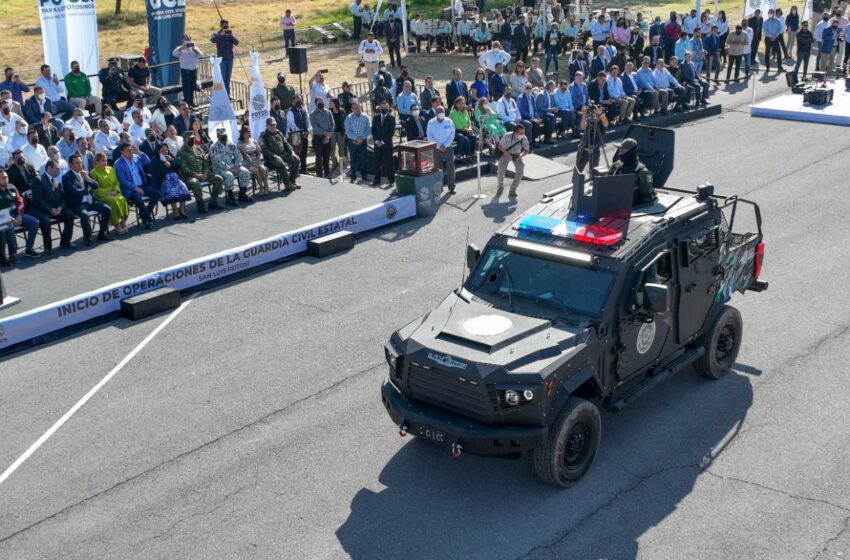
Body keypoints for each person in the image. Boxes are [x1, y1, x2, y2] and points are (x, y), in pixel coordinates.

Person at [62, 154, 112, 245]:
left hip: (89, 201)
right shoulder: (67, 177)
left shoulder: (84, 173)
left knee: (107, 209)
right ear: (71, 165)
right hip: (77, 203)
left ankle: (102, 233)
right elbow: (75, 192)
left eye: (80, 162)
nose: (80, 165)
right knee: (84, 215)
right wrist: (88, 189)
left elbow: (96, 185)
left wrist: (87, 177)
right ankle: (87, 237)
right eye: (77, 163)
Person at [31, 160, 75, 251]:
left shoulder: (57, 181)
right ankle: (48, 246)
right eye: (57, 168)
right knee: (46, 221)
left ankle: (65, 241)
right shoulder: (38, 180)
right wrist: (50, 210)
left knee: (69, 215)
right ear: (50, 168)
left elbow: (63, 198)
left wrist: (60, 208)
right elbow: (38, 200)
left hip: (56, 209)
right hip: (41, 210)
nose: (59, 171)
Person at [114, 143, 160, 228]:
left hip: (141, 185)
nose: (130, 152)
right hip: (129, 189)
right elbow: (123, 181)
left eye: (131, 150)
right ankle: (149, 220)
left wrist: (139, 152)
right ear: (122, 152)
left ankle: (143, 215)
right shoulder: (118, 164)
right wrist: (136, 188)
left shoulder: (136, 157)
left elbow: (147, 161)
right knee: (139, 200)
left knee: (157, 194)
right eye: (128, 151)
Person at [177, 131, 224, 212]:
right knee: (195, 183)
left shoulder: (198, 148)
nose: (192, 140)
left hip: (203, 173)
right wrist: (197, 175)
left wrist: (205, 172)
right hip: (190, 177)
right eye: (190, 139)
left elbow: (205, 161)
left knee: (218, 178)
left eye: (193, 138)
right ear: (184, 140)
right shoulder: (181, 153)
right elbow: (184, 169)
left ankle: (213, 202)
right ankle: (200, 205)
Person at [0, 169, 40, 263]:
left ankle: (29, 249)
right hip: (3, 217)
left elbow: (20, 202)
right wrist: (11, 219)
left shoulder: (12, 187)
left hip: (16, 214)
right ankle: (12, 255)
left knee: (35, 222)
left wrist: (19, 215)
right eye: (3, 178)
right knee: (9, 228)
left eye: (6, 177)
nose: (6, 179)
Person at [210, 128, 253, 205]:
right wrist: (230, 169)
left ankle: (242, 195)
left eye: (226, 135)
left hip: (233, 166)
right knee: (229, 175)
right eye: (223, 135)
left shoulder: (230, 144)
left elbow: (238, 155)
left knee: (245, 172)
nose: (225, 137)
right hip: (219, 169)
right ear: (218, 136)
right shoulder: (214, 147)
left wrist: (238, 165)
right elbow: (217, 161)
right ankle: (230, 197)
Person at [89, 152, 130, 234]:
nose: (105, 162)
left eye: (106, 160)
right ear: (97, 161)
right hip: (102, 195)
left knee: (122, 199)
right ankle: (116, 224)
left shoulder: (111, 169)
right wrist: (108, 192)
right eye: (103, 160)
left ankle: (123, 221)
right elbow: (95, 188)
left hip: (114, 192)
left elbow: (116, 183)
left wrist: (115, 190)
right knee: (113, 201)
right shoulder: (93, 172)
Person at [609, 138, 654, 205]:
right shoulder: (616, 166)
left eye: (622, 151)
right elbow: (607, 185)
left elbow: (646, 199)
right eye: (619, 150)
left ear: (631, 152)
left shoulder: (643, 172)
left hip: (631, 209)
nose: (619, 154)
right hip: (612, 203)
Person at [151, 143, 191, 219]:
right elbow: (156, 175)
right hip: (163, 181)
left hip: (175, 179)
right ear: (158, 151)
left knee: (184, 190)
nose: (165, 152)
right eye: (163, 151)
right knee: (172, 192)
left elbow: (179, 166)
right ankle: (175, 212)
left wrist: (172, 160)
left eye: (166, 150)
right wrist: (165, 167)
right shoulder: (154, 160)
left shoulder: (170, 156)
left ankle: (181, 210)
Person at [427, 106, 457, 194]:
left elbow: (452, 134)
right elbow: (429, 136)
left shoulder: (449, 121)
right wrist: (439, 146)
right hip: (436, 149)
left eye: (442, 111)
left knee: (450, 168)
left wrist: (446, 145)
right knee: (438, 170)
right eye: (439, 112)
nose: (441, 113)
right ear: (435, 113)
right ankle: (439, 187)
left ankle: (451, 187)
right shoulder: (431, 123)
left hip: (448, 148)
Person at [495, 124, 528, 197]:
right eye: (521, 133)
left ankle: (513, 190)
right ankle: (500, 187)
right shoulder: (507, 136)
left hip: (517, 154)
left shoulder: (524, 138)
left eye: (524, 133)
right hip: (505, 153)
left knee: (520, 171)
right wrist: (507, 155)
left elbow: (526, 151)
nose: (523, 135)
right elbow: (500, 146)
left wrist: (520, 156)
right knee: (500, 172)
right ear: (515, 132)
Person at [173, 35, 203, 107]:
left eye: (189, 39)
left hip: (194, 70)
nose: (188, 41)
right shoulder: (180, 48)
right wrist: (182, 47)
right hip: (185, 71)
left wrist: (194, 50)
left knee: (192, 87)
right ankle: (187, 104)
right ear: (183, 40)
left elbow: (201, 55)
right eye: (186, 39)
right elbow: (174, 53)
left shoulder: (194, 48)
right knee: (186, 88)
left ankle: (191, 102)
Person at [370, 101, 395, 187]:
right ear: (379, 108)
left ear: (388, 108)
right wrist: (376, 141)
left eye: (385, 107)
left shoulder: (391, 118)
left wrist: (382, 141)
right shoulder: (376, 117)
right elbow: (373, 130)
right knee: (377, 163)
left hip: (387, 144)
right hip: (377, 144)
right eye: (382, 107)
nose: (384, 109)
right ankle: (377, 180)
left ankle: (391, 180)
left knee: (389, 163)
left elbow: (391, 132)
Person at [211, 20, 239, 95]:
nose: (226, 27)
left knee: (227, 79)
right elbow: (213, 40)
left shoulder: (229, 34)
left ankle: (227, 95)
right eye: (224, 26)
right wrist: (221, 35)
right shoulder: (216, 34)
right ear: (221, 26)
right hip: (222, 60)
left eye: (227, 26)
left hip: (229, 59)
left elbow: (237, 42)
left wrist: (231, 36)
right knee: (222, 78)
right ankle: (221, 95)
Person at [343, 103, 370, 182]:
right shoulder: (349, 118)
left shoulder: (365, 117)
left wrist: (362, 138)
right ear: (352, 109)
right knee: (353, 159)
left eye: (358, 108)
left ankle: (364, 176)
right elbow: (347, 131)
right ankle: (353, 176)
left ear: (360, 107)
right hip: (352, 142)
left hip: (363, 141)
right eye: (354, 108)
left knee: (364, 159)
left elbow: (369, 129)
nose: (356, 110)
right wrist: (356, 138)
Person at [310, 97, 334, 178]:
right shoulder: (313, 114)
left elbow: (332, 124)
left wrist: (329, 134)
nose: (321, 104)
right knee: (319, 157)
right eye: (319, 102)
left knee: (326, 156)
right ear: (316, 104)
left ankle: (327, 174)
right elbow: (315, 127)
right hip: (318, 138)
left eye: (322, 102)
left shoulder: (328, 112)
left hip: (328, 137)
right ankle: (319, 175)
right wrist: (326, 133)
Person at [286, 94, 311, 175]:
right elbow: (292, 124)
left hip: (305, 135)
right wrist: (301, 132)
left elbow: (308, 121)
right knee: (297, 153)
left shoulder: (303, 110)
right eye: (297, 99)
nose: (299, 101)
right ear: (293, 101)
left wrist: (307, 131)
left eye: (300, 99)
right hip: (296, 135)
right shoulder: (290, 112)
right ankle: (296, 170)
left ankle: (304, 169)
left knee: (304, 152)